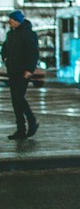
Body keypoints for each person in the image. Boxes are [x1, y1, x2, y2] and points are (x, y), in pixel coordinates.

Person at [2, 10, 40, 140]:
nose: (9, 22)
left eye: (11, 19)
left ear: (17, 20)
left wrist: (29, 69)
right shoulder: (11, 34)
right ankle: (21, 129)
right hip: (12, 71)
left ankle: (31, 122)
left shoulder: (29, 34)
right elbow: (4, 49)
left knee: (18, 98)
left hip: (23, 72)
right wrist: (5, 58)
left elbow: (33, 53)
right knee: (16, 100)